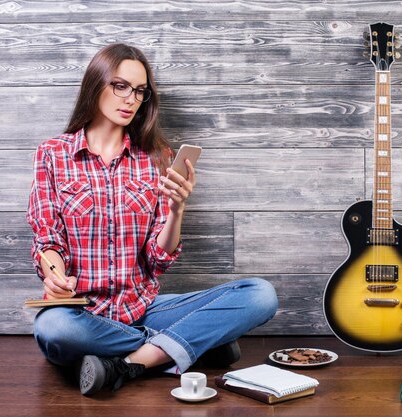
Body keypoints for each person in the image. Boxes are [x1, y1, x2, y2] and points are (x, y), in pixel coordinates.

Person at [26, 43, 278, 396]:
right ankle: (188, 344)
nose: (130, 99)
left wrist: (177, 210)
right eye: (120, 86)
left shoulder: (158, 158)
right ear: (95, 84)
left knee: (261, 295)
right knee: (54, 331)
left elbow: (158, 260)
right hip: (80, 313)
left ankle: (133, 363)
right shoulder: (52, 154)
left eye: (140, 91)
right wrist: (55, 275)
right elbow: (46, 238)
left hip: (142, 308)